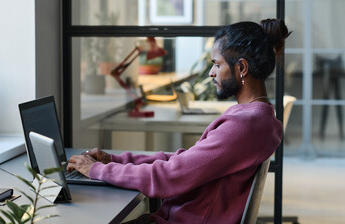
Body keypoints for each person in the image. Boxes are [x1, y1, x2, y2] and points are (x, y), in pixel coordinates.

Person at [67, 19, 290, 224]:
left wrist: (97, 170)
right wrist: (114, 160)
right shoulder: (260, 119)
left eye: (217, 64)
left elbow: (169, 176)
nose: (211, 73)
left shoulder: (243, 126)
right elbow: (184, 161)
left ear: (241, 68)